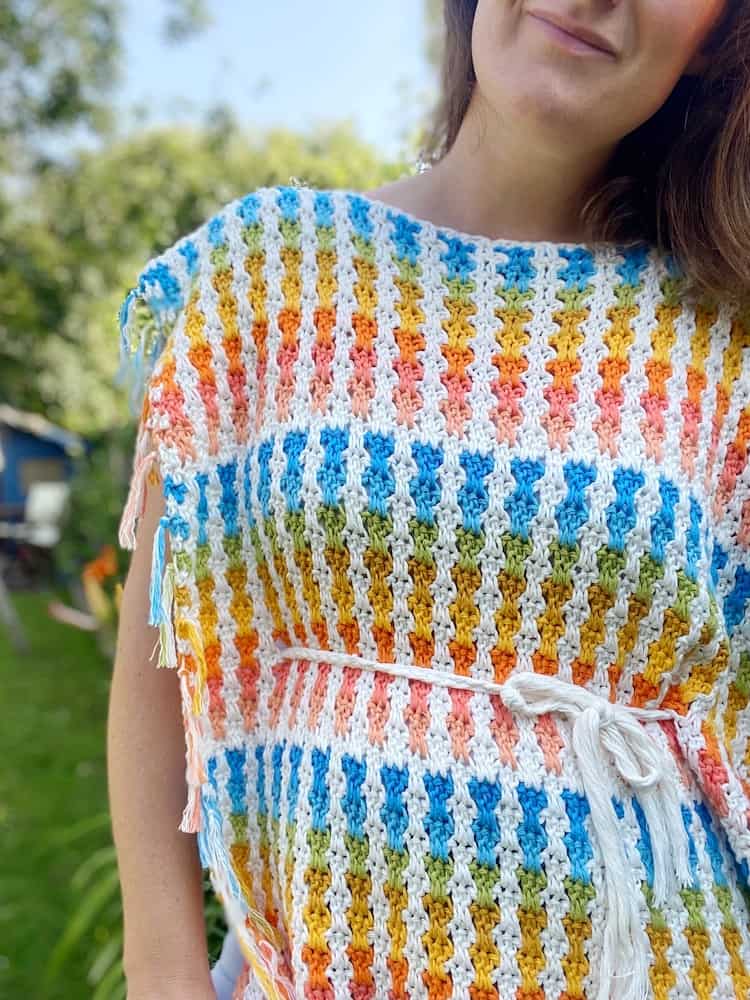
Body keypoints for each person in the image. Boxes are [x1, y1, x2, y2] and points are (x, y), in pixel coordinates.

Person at [107, 2, 750, 998]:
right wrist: (163, 971)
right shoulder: (268, 275)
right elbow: (162, 648)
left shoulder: (727, 345)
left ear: (720, 35)